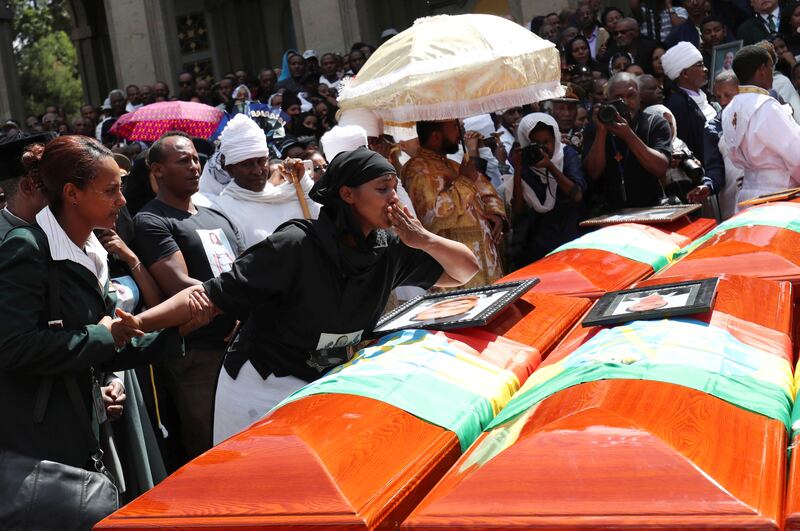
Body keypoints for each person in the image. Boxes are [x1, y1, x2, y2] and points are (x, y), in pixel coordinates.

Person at [118, 147, 479, 445]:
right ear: (348, 194)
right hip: (261, 389)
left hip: (326, 383)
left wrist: (425, 239)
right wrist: (138, 323)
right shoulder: (296, 244)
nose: (394, 199)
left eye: (394, 188)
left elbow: (465, 271)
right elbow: (210, 297)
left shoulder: (389, 248)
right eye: (383, 189)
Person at [0, 135, 185, 529]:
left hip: (85, 428)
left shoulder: (88, 249)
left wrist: (177, 330)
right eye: (111, 190)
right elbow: (12, 347)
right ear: (72, 194)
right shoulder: (25, 247)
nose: (122, 200)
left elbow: (105, 338)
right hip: (38, 443)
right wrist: (105, 336)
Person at [132, 132, 244, 465]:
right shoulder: (152, 220)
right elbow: (179, 283)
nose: (194, 166)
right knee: (211, 451)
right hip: (197, 354)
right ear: (158, 170)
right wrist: (236, 304)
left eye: (196, 158)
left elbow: (246, 273)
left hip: (242, 349)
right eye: (183, 160)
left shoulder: (217, 216)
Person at [402, 120, 506, 288]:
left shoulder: (454, 165)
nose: (460, 130)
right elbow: (432, 216)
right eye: (454, 127)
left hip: (485, 258)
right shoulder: (417, 169)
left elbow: (487, 192)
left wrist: (495, 215)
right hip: (458, 271)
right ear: (436, 136)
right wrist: (464, 181)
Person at [215, 115, 320, 247]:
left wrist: (302, 182)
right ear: (229, 169)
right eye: (247, 164)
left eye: (261, 161)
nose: (258, 170)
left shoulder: (290, 194)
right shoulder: (222, 211)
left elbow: (319, 217)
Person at [503, 113, 586, 267]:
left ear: (555, 138)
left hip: (568, 237)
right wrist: (519, 169)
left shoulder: (567, 155)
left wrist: (550, 166)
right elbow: (518, 209)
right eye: (535, 143)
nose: (542, 148)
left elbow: (577, 195)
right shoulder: (525, 162)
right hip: (535, 245)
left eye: (546, 142)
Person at [721, 45, 800, 205]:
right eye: (771, 67)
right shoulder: (766, 105)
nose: (772, 73)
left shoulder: (729, 109)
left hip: (747, 195)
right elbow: (796, 156)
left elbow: (735, 158)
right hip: (781, 194)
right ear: (762, 69)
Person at [583, 72, 671, 211]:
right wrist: (601, 132)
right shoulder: (596, 128)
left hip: (651, 208)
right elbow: (593, 173)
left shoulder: (655, 123)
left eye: (631, 95)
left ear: (639, 96)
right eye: (618, 97)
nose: (625, 102)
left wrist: (629, 136)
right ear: (608, 99)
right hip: (611, 212)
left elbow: (660, 167)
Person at [687, 70, 743, 219]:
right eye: (718, 97)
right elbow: (714, 169)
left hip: (764, 195)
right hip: (732, 205)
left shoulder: (757, 116)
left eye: (728, 95)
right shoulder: (713, 127)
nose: (723, 101)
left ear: (742, 91)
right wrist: (707, 186)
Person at [662, 41, 717, 164]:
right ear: (685, 73)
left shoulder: (704, 95)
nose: (705, 69)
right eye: (700, 65)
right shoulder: (678, 104)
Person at [0, 132, 54, 240]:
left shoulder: (69, 226)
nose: (62, 189)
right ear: (27, 187)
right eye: (52, 181)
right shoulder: (4, 244)